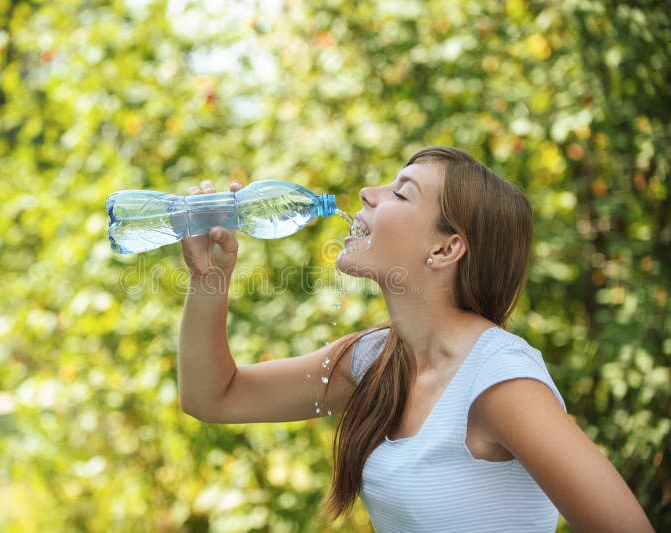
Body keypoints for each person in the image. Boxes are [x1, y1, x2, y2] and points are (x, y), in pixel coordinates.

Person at [176, 146, 653, 532]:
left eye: (400, 194)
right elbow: (214, 397)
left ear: (446, 249)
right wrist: (209, 279)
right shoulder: (372, 362)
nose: (366, 193)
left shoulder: (501, 385)